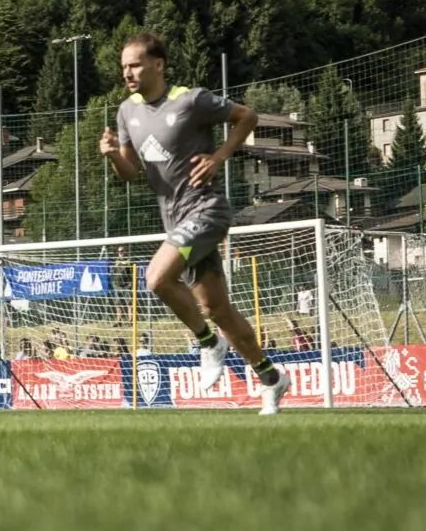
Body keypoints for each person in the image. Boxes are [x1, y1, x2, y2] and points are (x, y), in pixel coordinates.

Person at [99, 32, 289, 414]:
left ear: (158, 64)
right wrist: (111, 156)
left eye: (135, 65)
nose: (128, 73)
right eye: (123, 67)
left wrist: (218, 157)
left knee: (156, 278)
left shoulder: (191, 99)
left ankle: (207, 343)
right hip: (175, 219)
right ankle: (271, 377)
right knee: (217, 309)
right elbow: (131, 172)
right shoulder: (126, 111)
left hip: (207, 209)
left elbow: (247, 116)